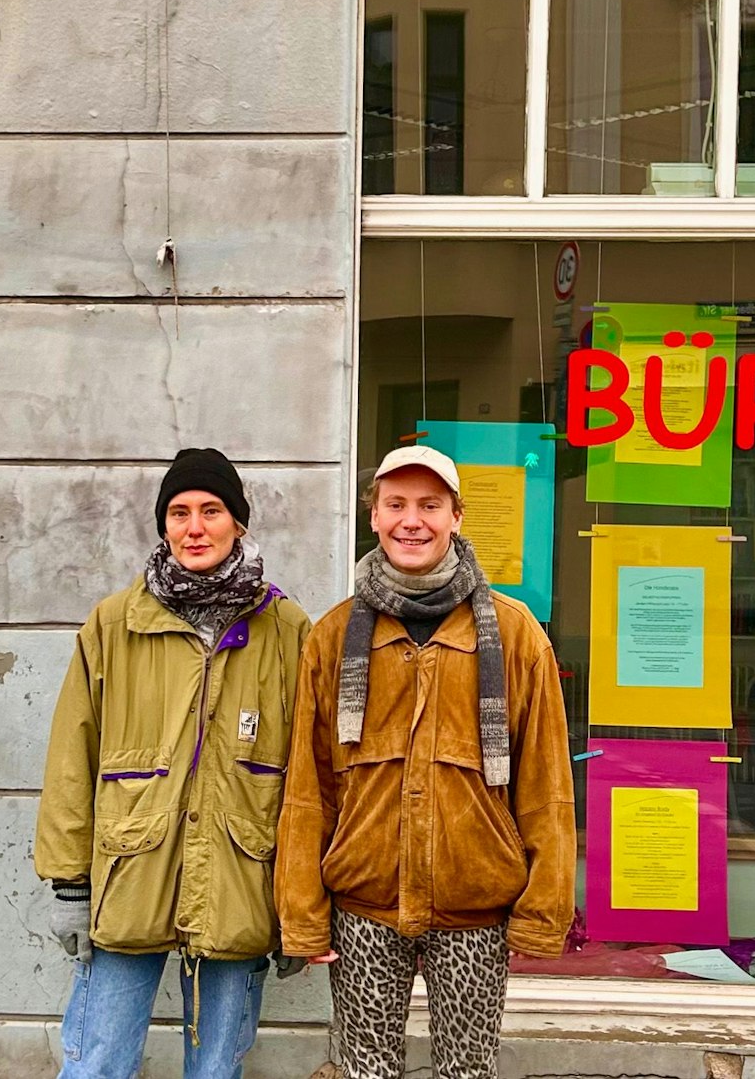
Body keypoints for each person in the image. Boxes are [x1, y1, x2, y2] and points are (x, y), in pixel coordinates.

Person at [275, 445, 575, 1079]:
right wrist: (303, 914)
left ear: (457, 517)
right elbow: (308, 786)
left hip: (475, 907)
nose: (413, 521)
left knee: (468, 1072)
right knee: (364, 1070)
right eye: (396, 505)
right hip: (363, 905)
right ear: (374, 517)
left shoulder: (516, 636)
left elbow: (546, 786)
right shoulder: (332, 637)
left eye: (430, 506)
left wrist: (540, 913)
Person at [36, 448, 311, 1079]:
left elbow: (311, 778)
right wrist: (70, 887)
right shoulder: (115, 624)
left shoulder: (286, 628)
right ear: (163, 525)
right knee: (97, 1062)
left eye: (211, 511)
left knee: (217, 1069)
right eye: (179, 512)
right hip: (128, 881)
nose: (195, 528)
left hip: (242, 885)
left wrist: (301, 905)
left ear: (238, 522)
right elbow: (72, 758)